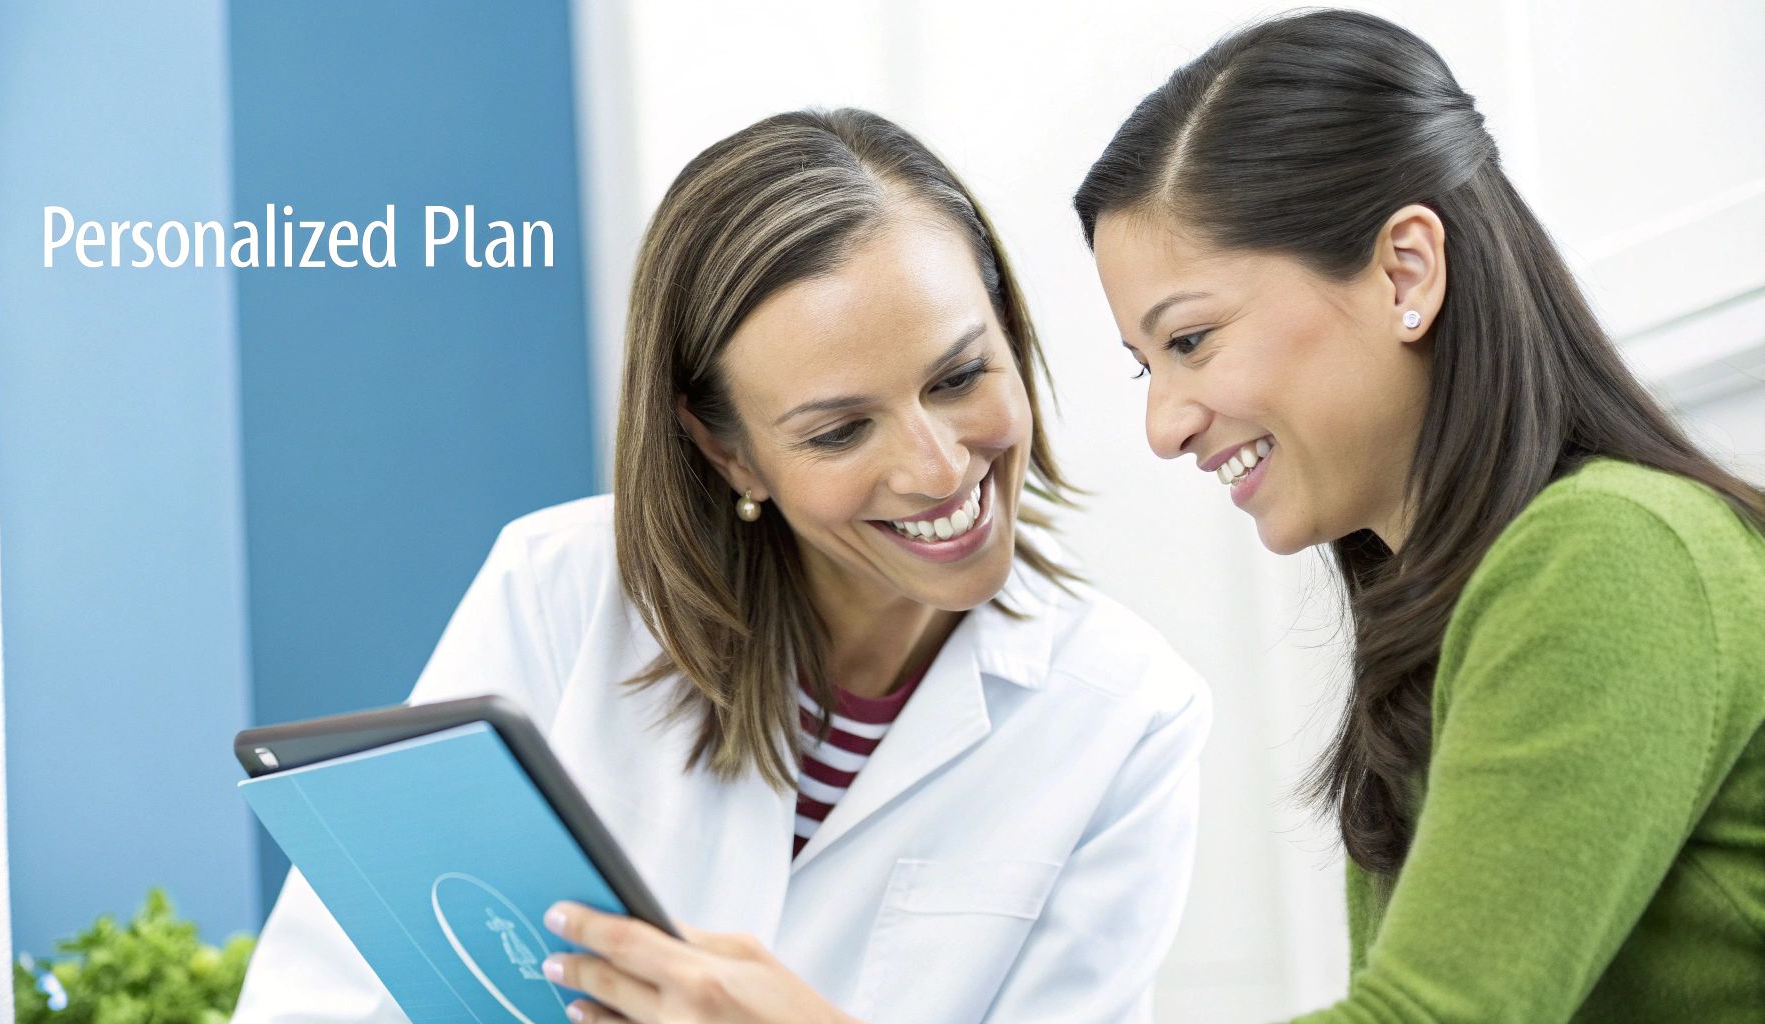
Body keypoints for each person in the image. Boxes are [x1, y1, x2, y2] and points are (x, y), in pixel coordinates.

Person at [538, 11, 1765, 1024]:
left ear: (1404, 270)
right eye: (1143, 364)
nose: (1164, 425)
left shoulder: (1611, 549)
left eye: (1190, 340)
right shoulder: (1458, 608)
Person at [230, 108, 1210, 1024]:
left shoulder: (1125, 713)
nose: (938, 468)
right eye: (839, 431)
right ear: (727, 451)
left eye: (958, 377)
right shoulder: (561, 589)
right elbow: (313, 1000)